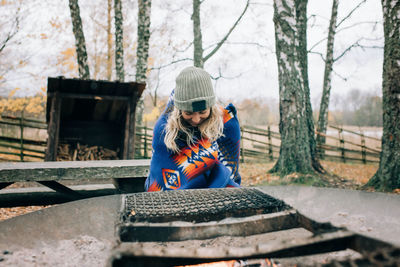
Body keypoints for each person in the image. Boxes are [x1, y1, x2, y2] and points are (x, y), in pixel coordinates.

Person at [145, 66, 241, 191]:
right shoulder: (165, 127)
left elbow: (231, 172)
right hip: (173, 199)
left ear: (211, 107)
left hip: (217, 195)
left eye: (202, 112)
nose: (196, 119)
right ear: (179, 110)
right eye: (189, 113)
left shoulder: (226, 125)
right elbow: (160, 176)